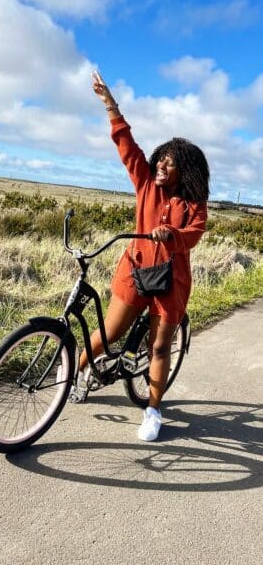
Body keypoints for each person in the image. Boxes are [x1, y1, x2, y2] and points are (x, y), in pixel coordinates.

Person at [71, 71, 210, 442]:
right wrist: (109, 104)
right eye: (160, 160)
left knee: (160, 346)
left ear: (186, 170)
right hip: (134, 272)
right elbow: (126, 145)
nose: (162, 166)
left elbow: (193, 234)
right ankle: (76, 372)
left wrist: (174, 235)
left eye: (170, 163)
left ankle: (152, 410)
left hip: (171, 282)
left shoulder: (194, 204)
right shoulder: (145, 184)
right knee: (108, 333)